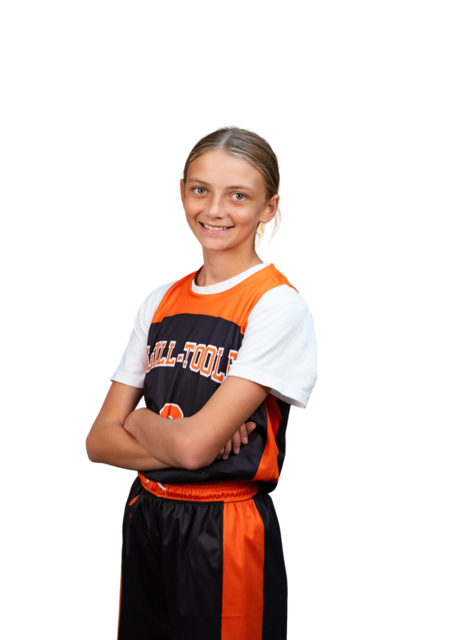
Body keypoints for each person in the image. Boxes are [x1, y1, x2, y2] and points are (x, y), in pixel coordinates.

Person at [84, 123, 320, 640]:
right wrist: (189, 440)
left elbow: (192, 449)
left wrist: (139, 420)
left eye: (238, 195)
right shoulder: (158, 300)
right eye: (200, 190)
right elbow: (98, 442)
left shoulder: (278, 305)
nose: (215, 210)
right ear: (181, 193)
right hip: (146, 513)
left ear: (270, 209)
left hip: (224, 525)